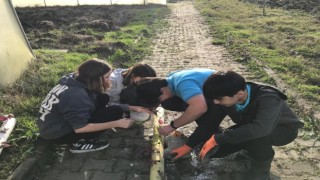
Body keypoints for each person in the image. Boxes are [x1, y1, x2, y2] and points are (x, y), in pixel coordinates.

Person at [198, 71, 304, 179]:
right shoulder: (228, 95)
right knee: (218, 149)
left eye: (219, 99)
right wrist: (189, 145)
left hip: (283, 130)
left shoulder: (269, 97)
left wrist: (219, 138)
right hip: (252, 126)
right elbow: (209, 123)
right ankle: (247, 154)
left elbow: (261, 129)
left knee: (257, 139)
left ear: (239, 94)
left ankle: (260, 174)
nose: (215, 102)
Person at [37, 58, 134, 153]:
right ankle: (78, 143)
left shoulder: (73, 79)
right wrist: (116, 123)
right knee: (115, 112)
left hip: (52, 125)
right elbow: (80, 128)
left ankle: (88, 129)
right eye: (107, 77)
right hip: (59, 134)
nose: (110, 80)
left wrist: (130, 107)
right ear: (95, 78)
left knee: (103, 98)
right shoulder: (77, 95)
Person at [135, 68, 223, 160]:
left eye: (159, 99)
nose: (160, 102)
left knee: (194, 108)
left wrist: (172, 126)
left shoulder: (183, 84)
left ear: (163, 90)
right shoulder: (170, 79)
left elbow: (200, 108)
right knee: (169, 102)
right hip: (209, 93)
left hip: (225, 95)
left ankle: (213, 135)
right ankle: (207, 127)